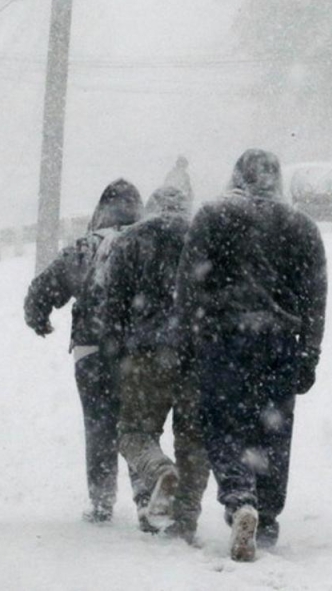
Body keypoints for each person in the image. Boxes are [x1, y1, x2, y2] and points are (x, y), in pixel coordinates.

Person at [176, 149, 327, 562]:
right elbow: (316, 296)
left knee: (223, 423)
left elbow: (189, 285)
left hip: (223, 339)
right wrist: (310, 351)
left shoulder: (212, 215)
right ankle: (267, 520)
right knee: (273, 429)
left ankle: (240, 499)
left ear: (236, 175)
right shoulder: (301, 226)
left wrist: (187, 341)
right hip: (280, 343)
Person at [24, 179, 144, 523]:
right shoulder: (146, 243)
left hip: (91, 351)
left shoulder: (85, 248)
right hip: (140, 351)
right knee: (139, 424)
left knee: (99, 424)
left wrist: (39, 318)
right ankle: (147, 497)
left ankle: (102, 500)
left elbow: (43, 289)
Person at [98, 186, 209, 542]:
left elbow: (112, 304)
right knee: (193, 442)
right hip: (196, 356)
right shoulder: (202, 239)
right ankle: (186, 520)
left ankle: (158, 469)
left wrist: (116, 352)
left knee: (133, 432)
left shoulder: (131, 240)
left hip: (145, 356)